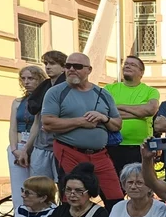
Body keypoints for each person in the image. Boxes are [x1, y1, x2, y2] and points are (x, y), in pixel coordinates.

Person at [42, 52, 124, 204]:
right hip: (70, 152)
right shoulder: (55, 92)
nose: (71, 69)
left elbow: (117, 124)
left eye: (77, 66)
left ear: (89, 70)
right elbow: (48, 123)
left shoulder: (103, 93)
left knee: (116, 199)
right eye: (68, 66)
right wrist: (81, 122)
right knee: (72, 199)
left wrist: (103, 118)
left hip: (100, 155)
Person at [104, 55, 160, 175]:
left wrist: (118, 107)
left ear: (141, 72)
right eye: (126, 64)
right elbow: (104, 112)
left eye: (133, 64)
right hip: (114, 145)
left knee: (141, 183)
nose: (128, 66)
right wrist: (139, 113)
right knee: (114, 186)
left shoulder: (151, 91)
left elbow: (150, 110)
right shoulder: (109, 89)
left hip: (141, 147)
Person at [26, 50, 67, 180]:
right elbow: (37, 121)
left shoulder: (70, 87)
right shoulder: (43, 87)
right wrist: (26, 149)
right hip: (42, 144)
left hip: (62, 144)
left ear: (63, 67)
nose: (48, 67)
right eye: (46, 63)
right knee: (38, 184)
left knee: (63, 184)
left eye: (53, 63)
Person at [8, 65, 45, 207]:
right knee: (18, 186)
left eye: (31, 78)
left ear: (39, 79)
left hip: (36, 146)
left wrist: (26, 150)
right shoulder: (17, 102)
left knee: (36, 185)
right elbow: (12, 128)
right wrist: (13, 149)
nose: (26, 82)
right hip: (18, 145)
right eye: (23, 78)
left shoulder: (44, 100)